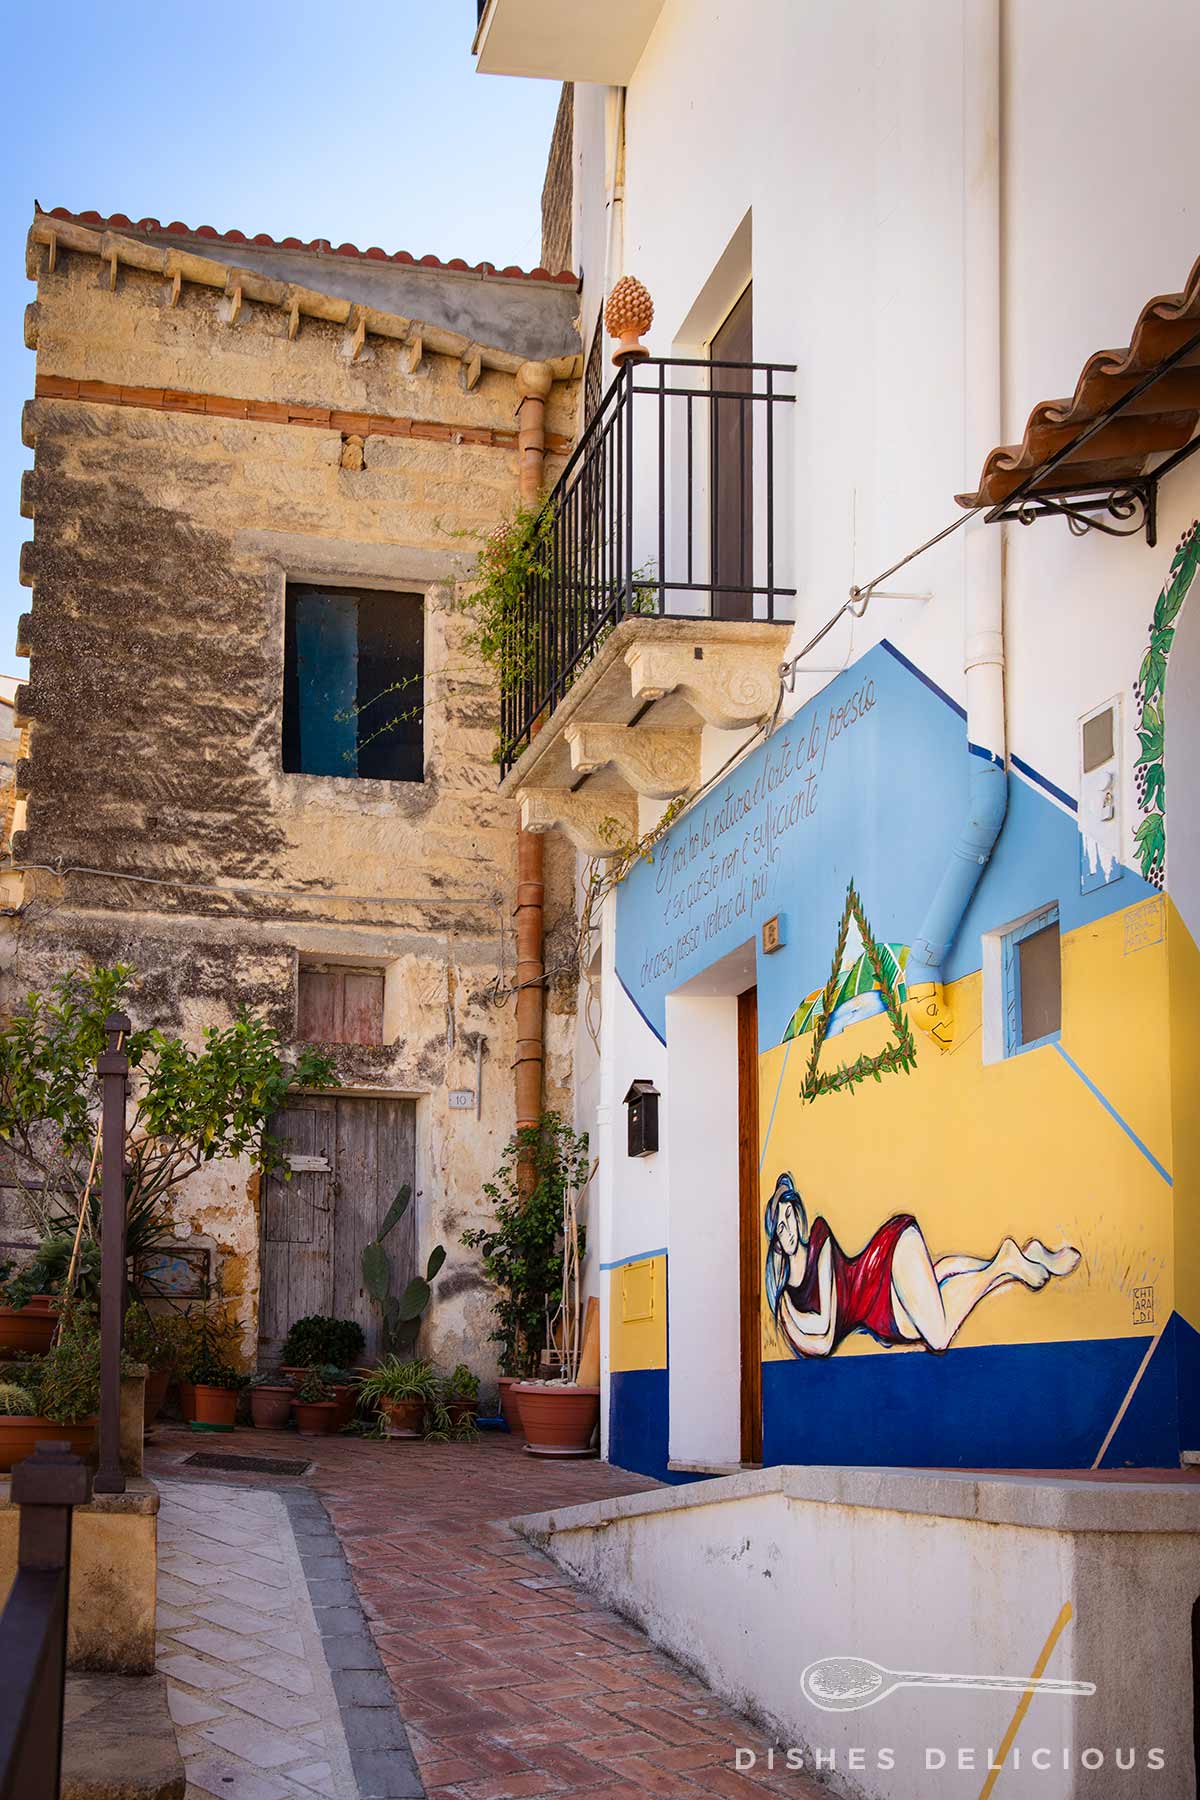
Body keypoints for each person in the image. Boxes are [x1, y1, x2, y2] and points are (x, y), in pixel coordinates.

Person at [763, 1171, 1081, 1358]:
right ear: (775, 1239)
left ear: (798, 1213)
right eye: (780, 1225)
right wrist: (783, 1305)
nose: (788, 1229)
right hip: (880, 1313)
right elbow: (818, 1348)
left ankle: (1004, 1262)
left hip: (884, 1263)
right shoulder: (789, 1295)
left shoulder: (820, 1240)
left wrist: (785, 1311)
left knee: (938, 1336)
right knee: (940, 1285)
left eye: (789, 1216)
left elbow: (825, 1329)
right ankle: (1025, 1257)